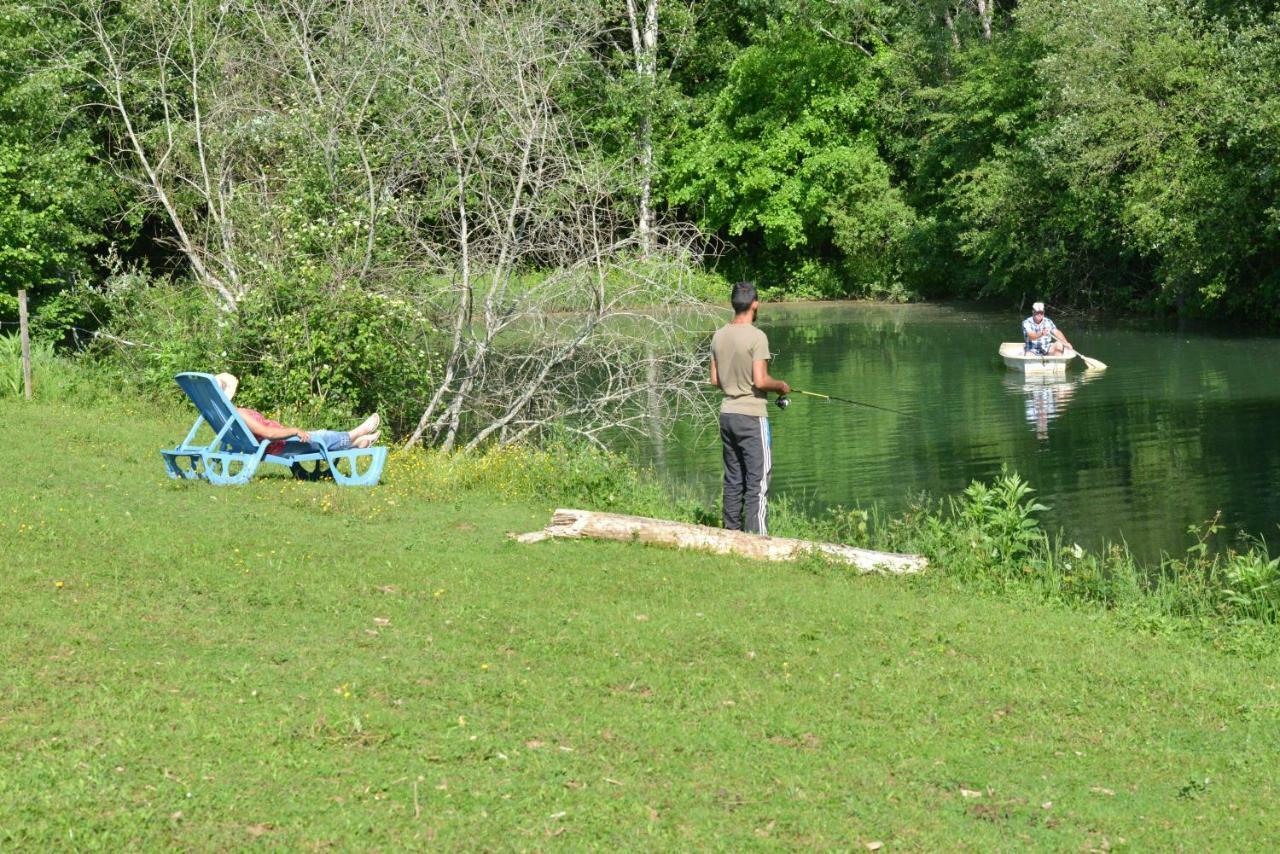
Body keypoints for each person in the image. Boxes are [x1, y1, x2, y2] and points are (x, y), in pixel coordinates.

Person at [709, 282, 789, 536]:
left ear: (734, 304)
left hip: (727, 415)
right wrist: (781, 386)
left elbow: (714, 381)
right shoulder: (757, 337)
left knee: (733, 478)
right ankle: (758, 539)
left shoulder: (718, 335)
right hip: (752, 417)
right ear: (755, 304)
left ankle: (731, 533)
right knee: (758, 480)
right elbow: (761, 381)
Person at [214, 373, 380, 455]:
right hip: (279, 444)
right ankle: (357, 433)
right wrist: (293, 431)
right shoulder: (239, 413)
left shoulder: (224, 415)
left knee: (316, 436)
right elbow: (268, 433)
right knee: (322, 436)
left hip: (275, 443)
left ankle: (356, 444)